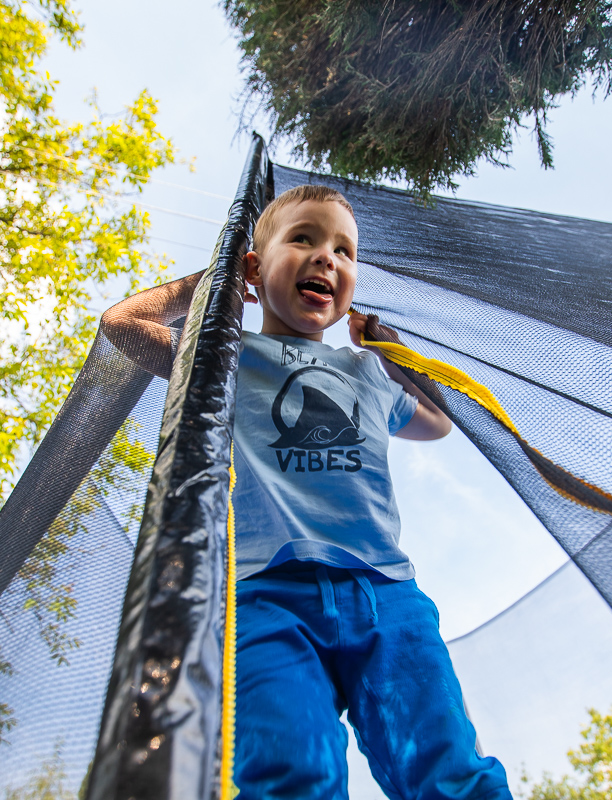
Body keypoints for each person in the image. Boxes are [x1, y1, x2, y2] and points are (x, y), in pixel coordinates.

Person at [101, 184, 512, 799]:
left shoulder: (368, 374)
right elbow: (121, 325)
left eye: (344, 251)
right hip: (267, 594)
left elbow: (438, 420)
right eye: (304, 239)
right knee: (289, 771)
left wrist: (389, 348)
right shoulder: (225, 356)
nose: (327, 258)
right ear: (255, 269)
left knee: (446, 767)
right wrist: (210, 283)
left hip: (385, 592)